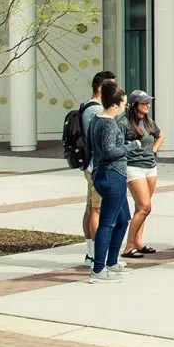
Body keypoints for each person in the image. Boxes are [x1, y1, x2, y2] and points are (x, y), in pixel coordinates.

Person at [84, 82, 131, 282]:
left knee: (123, 218)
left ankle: (111, 261)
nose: (125, 108)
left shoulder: (96, 120)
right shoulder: (109, 123)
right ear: (115, 105)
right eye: (124, 104)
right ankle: (98, 269)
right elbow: (110, 150)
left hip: (101, 174)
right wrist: (130, 147)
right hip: (113, 175)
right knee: (107, 222)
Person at [76, 69, 115, 263]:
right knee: (96, 209)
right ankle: (95, 255)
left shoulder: (86, 106)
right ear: (101, 88)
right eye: (111, 86)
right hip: (96, 165)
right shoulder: (95, 110)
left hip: (90, 164)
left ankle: (91, 251)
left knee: (91, 207)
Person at [120, 90, 164, 257]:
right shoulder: (123, 123)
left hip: (150, 167)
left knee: (142, 208)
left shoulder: (148, 122)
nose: (148, 105)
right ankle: (128, 247)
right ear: (133, 104)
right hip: (133, 167)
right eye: (144, 102)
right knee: (145, 207)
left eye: (148, 102)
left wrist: (153, 150)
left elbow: (160, 135)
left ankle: (138, 243)